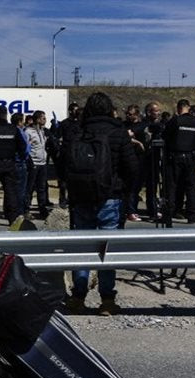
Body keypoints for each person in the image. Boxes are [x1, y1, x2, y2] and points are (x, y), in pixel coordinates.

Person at [65, 92, 138, 316]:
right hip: (110, 196)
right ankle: (107, 300)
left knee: (83, 247)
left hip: (80, 197)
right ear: (109, 109)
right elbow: (133, 168)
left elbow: (63, 163)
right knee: (106, 249)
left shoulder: (77, 131)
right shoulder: (118, 133)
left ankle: (78, 297)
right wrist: (124, 188)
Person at [162, 99, 195, 226]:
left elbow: (165, 136)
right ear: (188, 108)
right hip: (191, 157)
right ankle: (191, 216)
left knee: (171, 186)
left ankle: (168, 216)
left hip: (175, 156)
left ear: (179, 108)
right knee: (190, 187)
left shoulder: (175, 121)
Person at [25, 110, 50, 219]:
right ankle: (26, 210)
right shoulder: (29, 131)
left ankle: (42, 210)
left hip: (43, 163)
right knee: (29, 187)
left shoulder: (42, 131)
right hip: (33, 163)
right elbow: (26, 147)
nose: (45, 120)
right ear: (38, 119)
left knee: (42, 187)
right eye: (43, 118)